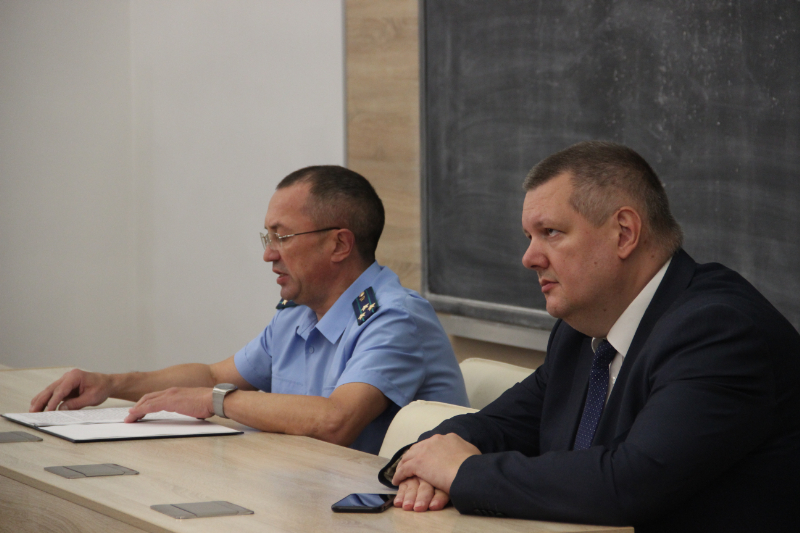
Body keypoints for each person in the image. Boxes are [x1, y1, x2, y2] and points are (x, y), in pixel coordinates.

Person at [381, 142, 800, 531]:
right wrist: (428, 462)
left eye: (551, 232)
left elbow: (628, 484)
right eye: (529, 237)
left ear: (624, 233)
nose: (529, 258)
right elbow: (498, 425)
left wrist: (462, 473)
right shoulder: (581, 332)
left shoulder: (719, 331)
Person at [30, 165, 468, 455]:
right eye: (267, 238)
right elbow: (212, 375)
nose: (269, 254)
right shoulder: (298, 312)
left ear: (339, 244)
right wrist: (109, 383)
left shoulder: (394, 318)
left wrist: (217, 401)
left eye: (282, 237)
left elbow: (336, 421)